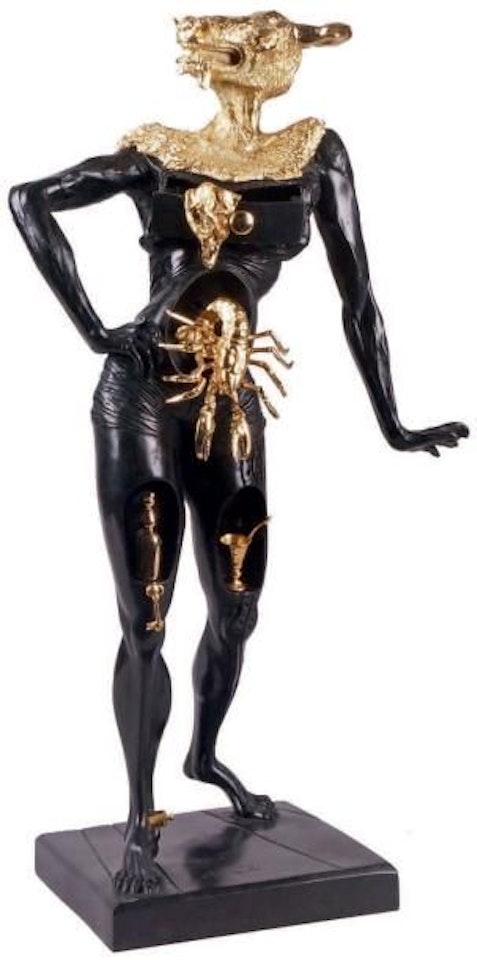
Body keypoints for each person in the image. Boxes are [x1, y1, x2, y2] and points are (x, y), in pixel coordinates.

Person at [9, 11, 468, 895]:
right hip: (141, 395)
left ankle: (204, 756)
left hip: (232, 400)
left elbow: (358, 297)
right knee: (146, 615)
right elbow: (29, 200)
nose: (267, 55)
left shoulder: (313, 154)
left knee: (238, 610)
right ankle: (139, 815)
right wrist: (98, 331)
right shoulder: (158, 152)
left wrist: (393, 421)